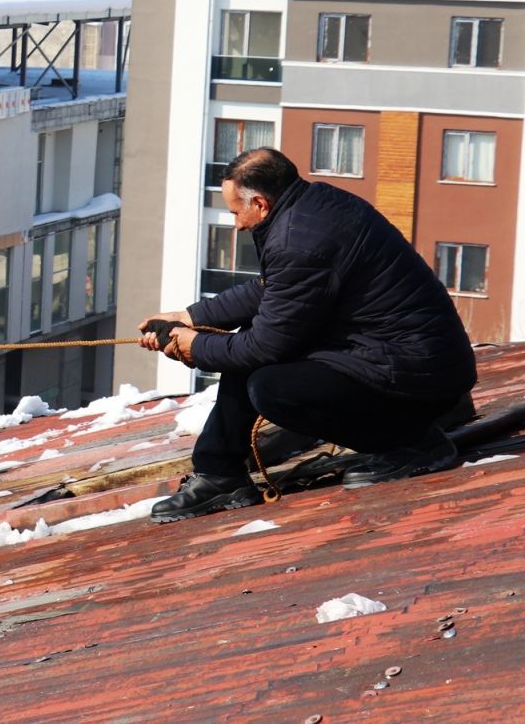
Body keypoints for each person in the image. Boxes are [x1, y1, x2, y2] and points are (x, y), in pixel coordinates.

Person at [140, 147, 476, 522]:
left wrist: (194, 346)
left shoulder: (298, 241)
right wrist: (187, 317)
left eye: (236, 212)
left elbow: (262, 347)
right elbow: (272, 291)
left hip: (419, 374)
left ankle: (414, 445)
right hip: (403, 357)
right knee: (252, 338)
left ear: (261, 204)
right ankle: (219, 473)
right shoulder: (310, 208)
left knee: (272, 388)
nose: (237, 225)